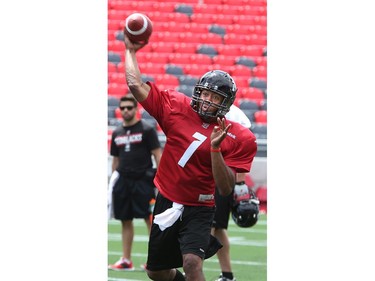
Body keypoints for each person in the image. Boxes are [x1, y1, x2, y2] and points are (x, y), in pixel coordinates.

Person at [123, 32, 257, 281]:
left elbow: (226, 188)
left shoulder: (238, 136)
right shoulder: (177, 107)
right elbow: (135, 86)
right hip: (166, 198)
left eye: (215, 97)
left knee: (192, 262)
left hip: (200, 206)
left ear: (225, 103)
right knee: (156, 272)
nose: (207, 101)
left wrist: (216, 149)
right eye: (205, 94)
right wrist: (130, 51)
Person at [108, 94, 162, 271]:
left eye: (129, 107)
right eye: (122, 108)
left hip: (143, 180)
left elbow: (157, 154)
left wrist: (161, 181)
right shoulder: (117, 133)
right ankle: (126, 260)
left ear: (136, 109)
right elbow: (115, 160)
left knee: (150, 219)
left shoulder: (147, 130)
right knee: (125, 219)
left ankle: (156, 260)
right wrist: (112, 182)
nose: (125, 111)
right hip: (123, 180)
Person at [211, 104, 255, 281]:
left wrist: (240, 183)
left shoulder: (236, 114)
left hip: (223, 176)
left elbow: (242, 149)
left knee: (209, 226)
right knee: (219, 228)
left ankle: (192, 265)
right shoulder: (207, 108)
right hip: (208, 172)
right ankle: (228, 275)